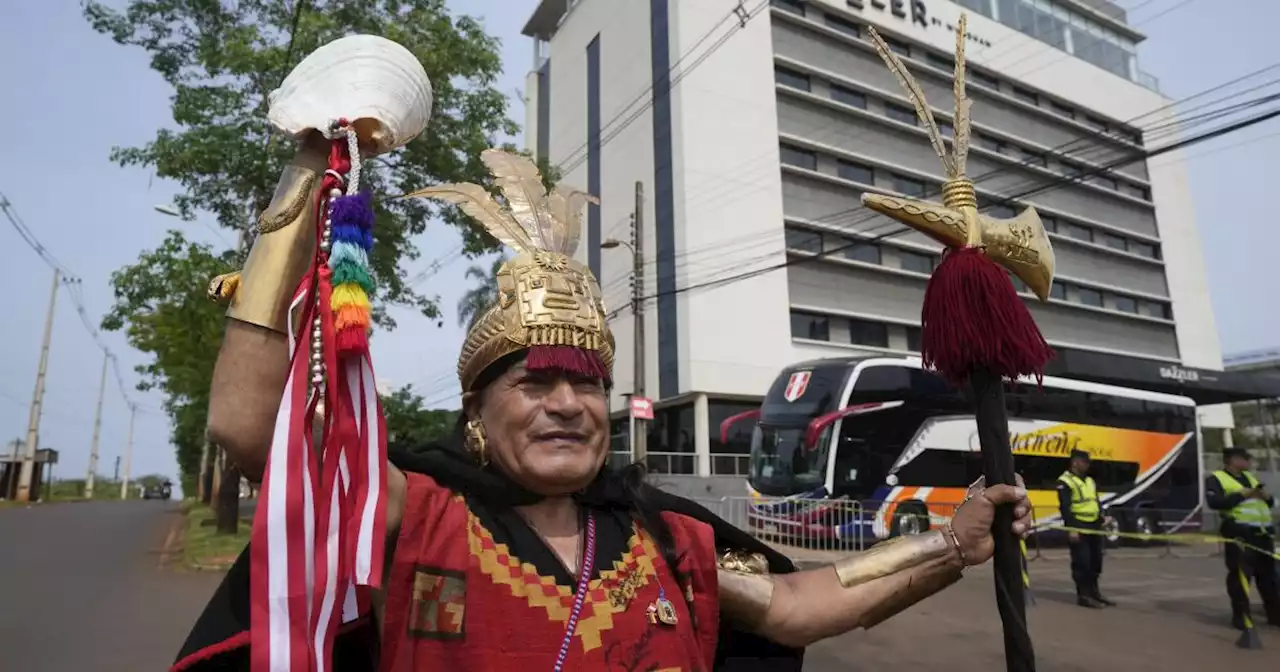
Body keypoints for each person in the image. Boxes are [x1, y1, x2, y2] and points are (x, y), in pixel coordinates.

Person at [169, 142, 1034, 671]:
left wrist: (949, 546)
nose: (566, 405)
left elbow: (796, 605)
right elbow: (252, 431)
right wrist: (307, 183)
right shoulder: (418, 517)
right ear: (478, 413)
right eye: (534, 384)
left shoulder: (664, 539)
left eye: (585, 384)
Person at [1206, 447, 1279, 631]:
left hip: (1262, 535)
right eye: (1245, 459)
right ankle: (1241, 617)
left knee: (1269, 578)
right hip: (1240, 535)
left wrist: (1267, 498)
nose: (1249, 462)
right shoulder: (1216, 478)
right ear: (1233, 459)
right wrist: (1240, 495)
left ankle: (1275, 615)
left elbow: (1265, 503)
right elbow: (1215, 503)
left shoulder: (1250, 477)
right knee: (1240, 577)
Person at [1057, 449, 1113, 608]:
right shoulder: (1065, 481)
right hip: (1078, 525)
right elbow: (1065, 508)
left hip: (1094, 525)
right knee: (1082, 562)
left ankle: (1095, 593)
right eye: (1085, 462)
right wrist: (1072, 529)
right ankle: (1083, 595)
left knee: (1096, 561)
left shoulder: (1089, 481)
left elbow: (1095, 502)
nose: (1087, 465)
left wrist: (1103, 517)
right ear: (1075, 462)